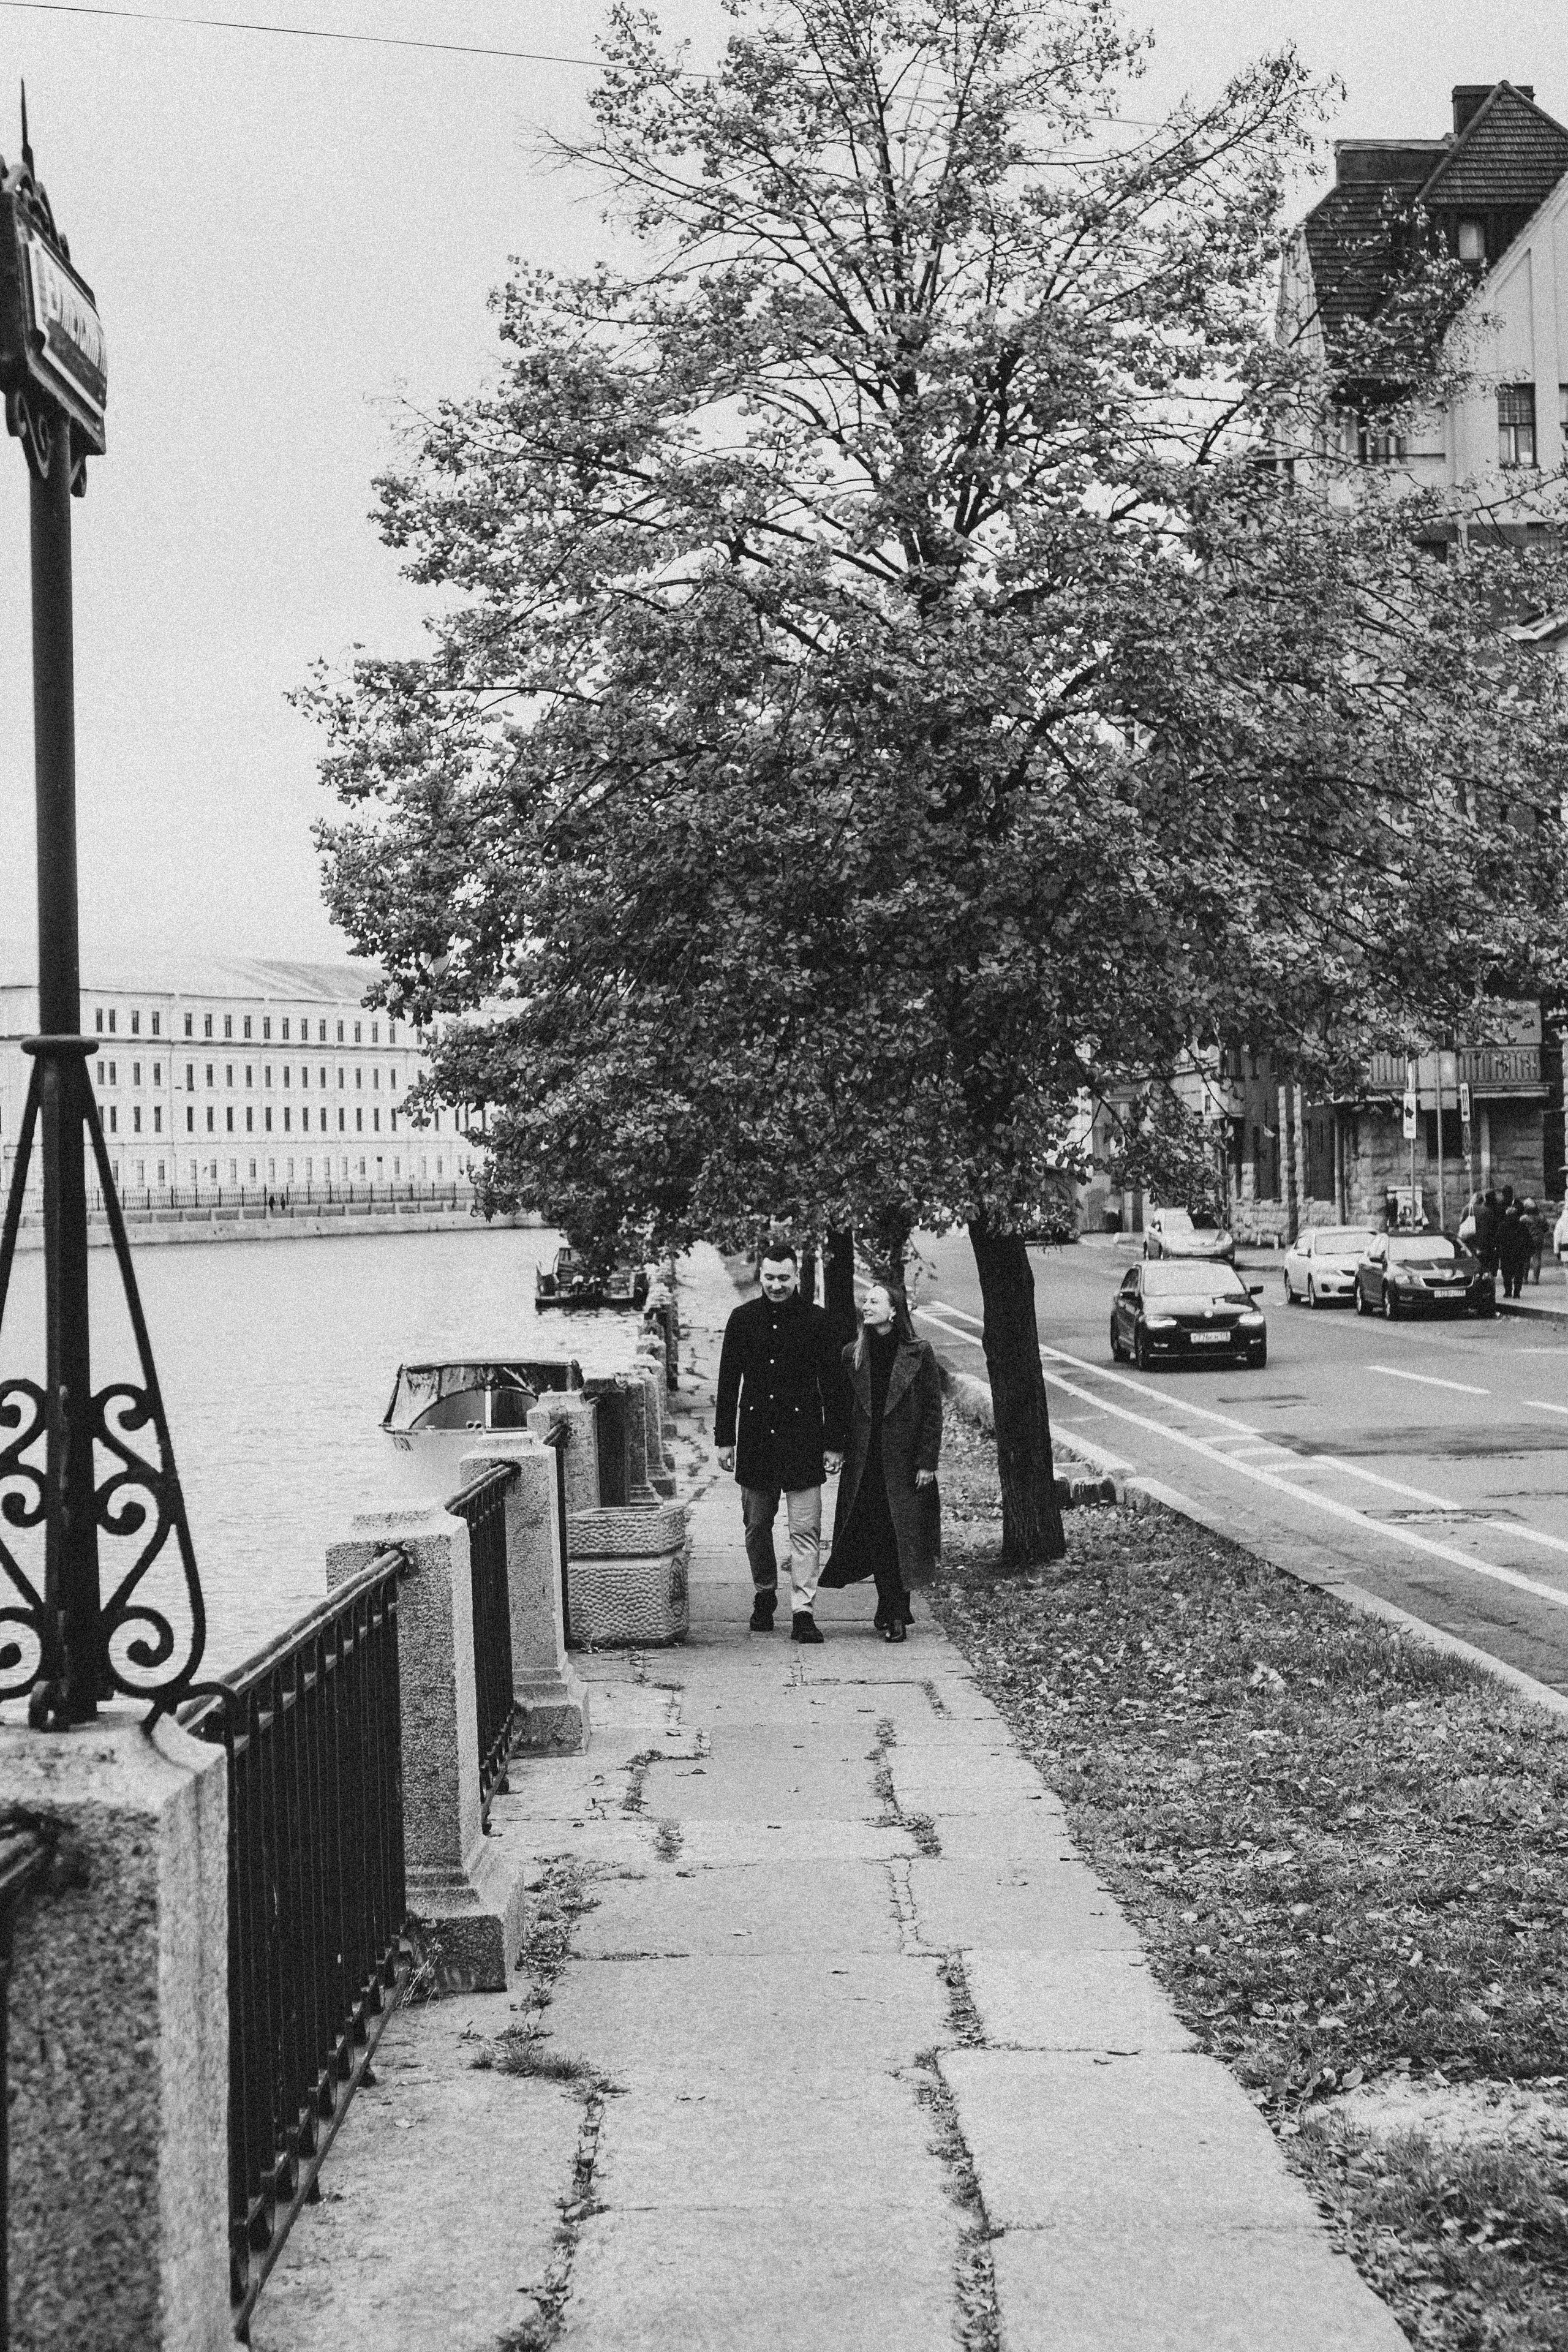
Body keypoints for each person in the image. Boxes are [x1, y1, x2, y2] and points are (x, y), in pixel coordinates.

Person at [714, 1239, 848, 1643]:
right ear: (761, 1277)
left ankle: (803, 1610)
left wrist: (835, 1442)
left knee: (805, 1530)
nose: (776, 1285)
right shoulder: (742, 1320)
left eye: (783, 1278)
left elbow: (836, 1387)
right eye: (769, 1278)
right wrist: (725, 1440)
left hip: (803, 1440)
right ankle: (765, 1593)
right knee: (756, 1526)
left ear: (796, 1277)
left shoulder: (819, 1322)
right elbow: (727, 1382)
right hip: (756, 1440)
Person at [818, 1282, 942, 1643]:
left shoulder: (919, 1353)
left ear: (893, 1311)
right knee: (876, 1533)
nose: (866, 1305)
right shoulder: (852, 1354)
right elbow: (840, 1406)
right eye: (866, 1300)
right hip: (865, 1462)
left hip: (904, 1463)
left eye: (875, 1301)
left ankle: (896, 1611)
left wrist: (927, 1461)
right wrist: (836, 1447)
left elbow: (933, 1411)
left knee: (898, 1533)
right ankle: (891, 1606)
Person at [1498, 1202, 1532, 1300]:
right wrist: (1527, 1251)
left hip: (1506, 1254)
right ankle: (1517, 1292)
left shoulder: (1503, 1226)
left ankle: (1508, 1292)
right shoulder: (1521, 1226)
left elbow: (1498, 1239)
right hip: (1519, 1253)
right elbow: (1528, 1239)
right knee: (1518, 1274)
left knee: (1507, 1274)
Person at [1473, 1189, 1499, 1276]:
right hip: (1492, 1236)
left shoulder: (1479, 1209)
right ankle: (1492, 1273)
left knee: (1483, 1256)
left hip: (1479, 1236)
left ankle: (1483, 1273)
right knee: (1494, 1255)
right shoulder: (1496, 1208)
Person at [1523, 1198, 1549, 1285]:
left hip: (1527, 1239)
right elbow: (1546, 1228)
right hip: (1538, 1239)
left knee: (1526, 1259)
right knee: (1537, 1258)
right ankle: (1535, 1279)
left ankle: (1525, 1278)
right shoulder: (1541, 1217)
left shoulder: (1524, 1218)